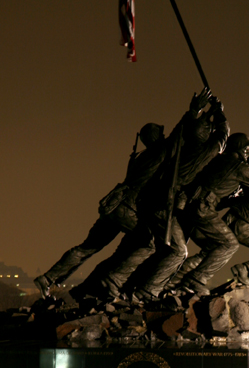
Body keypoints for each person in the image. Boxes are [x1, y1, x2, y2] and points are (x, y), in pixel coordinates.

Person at [75, 89, 228, 303]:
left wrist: (199, 112)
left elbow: (182, 131)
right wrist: (219, 114)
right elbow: (222, 139)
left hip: (149, 204)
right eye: (208, 130)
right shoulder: (200, 154)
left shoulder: (178, 149)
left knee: (146, 246)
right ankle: (144, 292)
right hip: (161, 207)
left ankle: (113, 282)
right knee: (177, 251)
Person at [33, 122, 167, 299]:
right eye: (161, 135)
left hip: (113, 206)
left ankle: (47, 278)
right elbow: (172, 142)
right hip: (127, 209)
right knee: (149, 243)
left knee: (86, 248)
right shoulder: (158, 154)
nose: (164, 137)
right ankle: (114, 280)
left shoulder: (138, 157)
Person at [168, 133, 249, 296]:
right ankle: (196, 280)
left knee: (211, 247)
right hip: (203, 208)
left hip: (191, 206)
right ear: (239, 148)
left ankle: (173, 282)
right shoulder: (240, 167)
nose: (248, 152)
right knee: (229, 244)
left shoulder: (217, 160)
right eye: (246, 148)